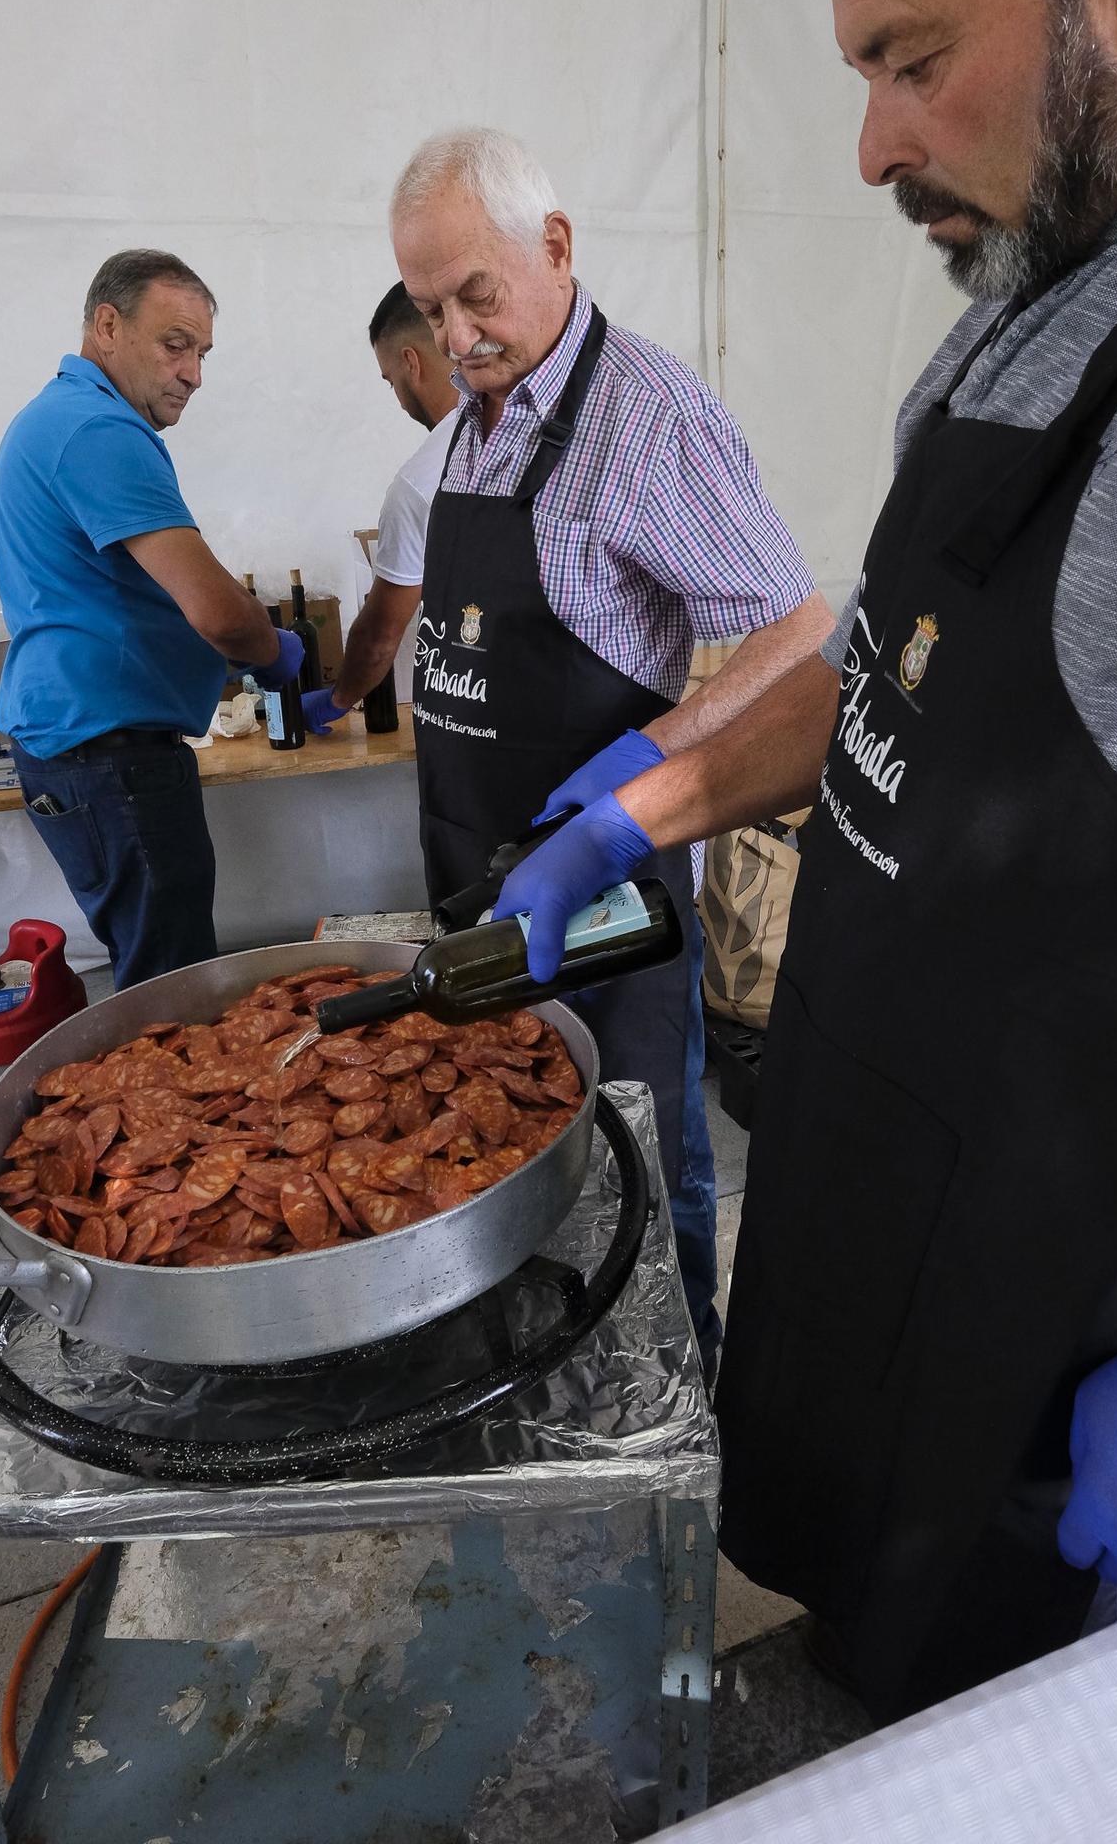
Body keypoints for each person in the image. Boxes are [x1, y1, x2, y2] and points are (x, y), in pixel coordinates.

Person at [495, 0, 1117, 1724]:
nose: (864, 146)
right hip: (880, 1232)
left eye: (908, 60)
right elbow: (891, 667)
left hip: (1088, 1386)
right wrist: (642, 811)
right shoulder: (1031, 289)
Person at [387, 127, 833, 1369]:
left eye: (476, 292)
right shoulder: (485, 416)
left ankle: (673, 1390)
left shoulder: (643, 414)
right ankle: (552, 1373)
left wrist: (648, 749)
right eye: (431, 307)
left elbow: (797, 624)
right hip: (485, 874)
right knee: (514, 1160)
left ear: (556, 245)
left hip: (607, 898)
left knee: (643, 1159)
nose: (457, 333)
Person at [0, 249, 302, 989]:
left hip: (87, 752)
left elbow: (135, 596)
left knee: (155, 976)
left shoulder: (62, 419)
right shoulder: (96, 430)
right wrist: (276, 655)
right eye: (174, 344)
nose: (193, 372)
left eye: (201, 352)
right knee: (174, 994)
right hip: (111, 760)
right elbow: (218, 612)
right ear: (107, 325)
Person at [304, 284, 458, 732]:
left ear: (411, 361)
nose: (397, 395)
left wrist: (339, 696)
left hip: (474, 709)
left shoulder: (420, 482)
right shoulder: (526, 433)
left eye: (391, 380)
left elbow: (380, 634)